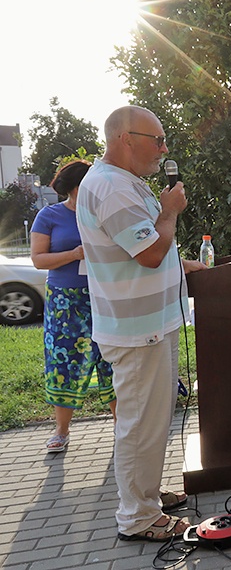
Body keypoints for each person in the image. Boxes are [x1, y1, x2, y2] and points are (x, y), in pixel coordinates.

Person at [76, 105, 208, 542]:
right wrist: (170, 209)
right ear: (124, 139)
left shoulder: (123, 183)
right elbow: (149, 252)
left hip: (151, 324)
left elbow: (152, 249)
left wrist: (187, 264)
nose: (164, 149)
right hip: (137, 331)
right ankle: (136, 517)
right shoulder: (112, 188)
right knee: (140, 423)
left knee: (152, 420)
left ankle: (146, 497)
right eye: (158, 140)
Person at [31, 160, 116, 452]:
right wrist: (74, 254)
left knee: (113, 361)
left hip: (105, 296)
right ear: (77, 185)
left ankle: (123, 428)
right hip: (65, 303)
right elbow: (38, 259)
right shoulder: (49, 215)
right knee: (64, 364)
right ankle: (61, 431)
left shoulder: (103, 214)